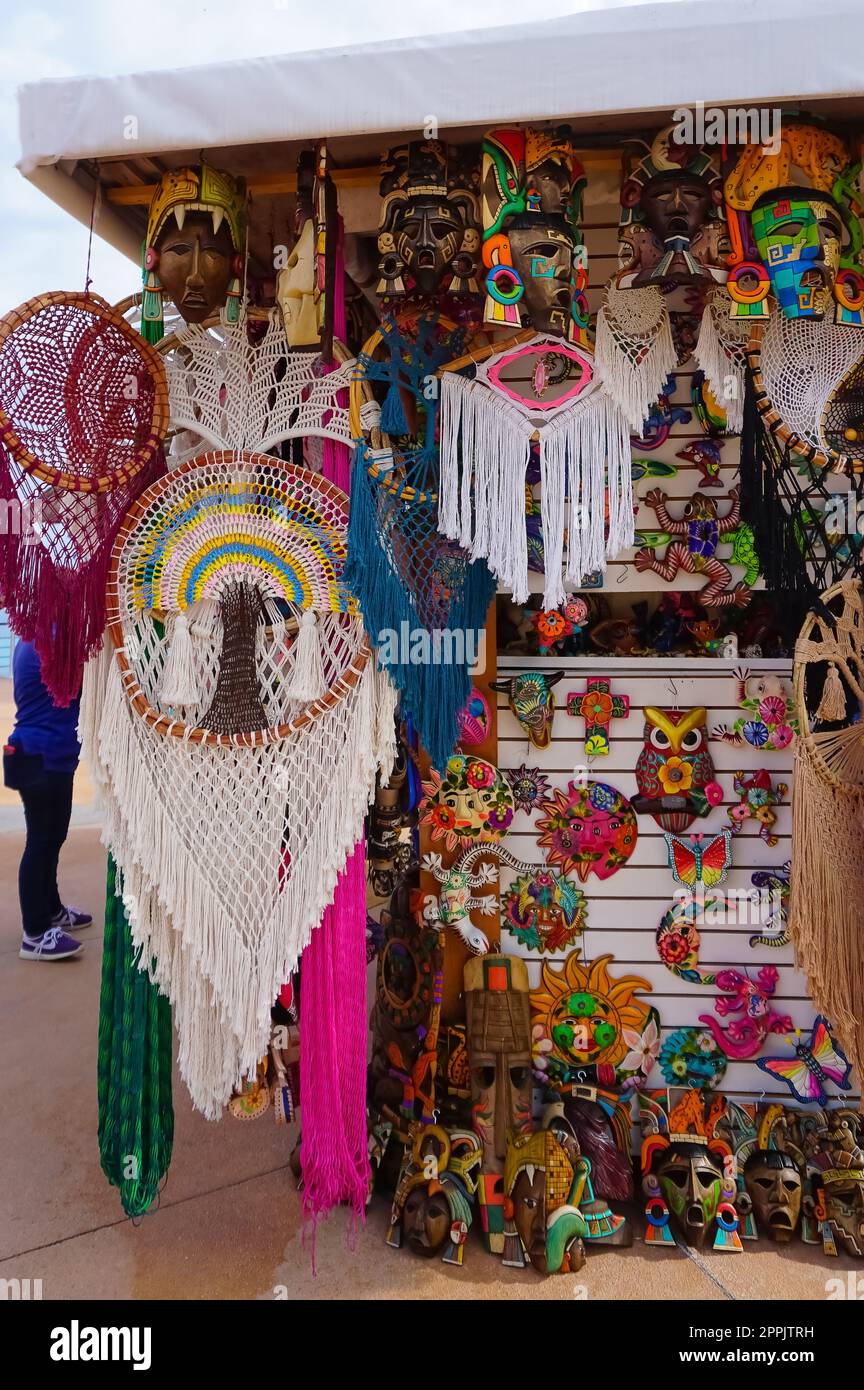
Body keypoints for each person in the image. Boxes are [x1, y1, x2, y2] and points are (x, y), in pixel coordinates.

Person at [3, 640, 91, 960]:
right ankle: (35, 933)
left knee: (52, 838)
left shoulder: (37, 636)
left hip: (49, 755)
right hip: (41, 756)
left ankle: (51, 910)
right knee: (41, 841)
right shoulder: (47, 640)